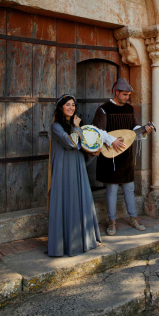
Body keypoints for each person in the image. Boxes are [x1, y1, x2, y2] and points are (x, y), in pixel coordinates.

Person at [47, 94, 115, 257]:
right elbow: (70, 142)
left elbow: (82, 153)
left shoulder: (79, 127)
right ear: (61, 107)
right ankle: (67, 245)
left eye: (73, 105)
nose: (71, 108)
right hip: (64, 171)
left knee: (83, 201)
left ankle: (87, 239)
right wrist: (77, 127)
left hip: (78, 169)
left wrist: (93, 154)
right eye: (67, 105)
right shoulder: (56, 126)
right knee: (67, 202)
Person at [92, 78, 153, 236]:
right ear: (116, 92)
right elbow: (96, 131)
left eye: (128, 95)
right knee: (112, 189)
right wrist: (112, 140)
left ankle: (133, 218)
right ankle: (111, 222)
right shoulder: (103, 109)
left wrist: (143, 130)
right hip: (110, 156)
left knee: (129, 189)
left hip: (126, 155)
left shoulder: (130, 109)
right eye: (125, 94)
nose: (127, 98)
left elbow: (133, 131)